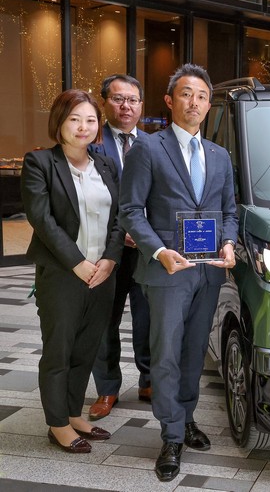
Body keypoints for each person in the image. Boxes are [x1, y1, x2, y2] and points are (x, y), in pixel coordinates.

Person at [119, 63, 238, 481]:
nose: (195, 102)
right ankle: (170, 436)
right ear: (170, 101)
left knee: (193, 352)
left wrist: (228, 242)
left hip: (207, 272)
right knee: (166, 353)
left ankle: (185, 418)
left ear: (209, 105)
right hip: (167, 271)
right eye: (186, 93)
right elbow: (130, 210)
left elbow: (228, 211)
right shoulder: (148, 149)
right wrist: (158, 251)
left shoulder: (220, 156)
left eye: (202, 96)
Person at [21, 89, 123, 453]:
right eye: (74, 119)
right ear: (59, 122)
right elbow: (42, 219)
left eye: (90, 120)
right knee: (59, 350)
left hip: (102, 274)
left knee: (86, 348)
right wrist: (78, 263)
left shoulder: (106, 165)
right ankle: (57, 424)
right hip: (63, 274)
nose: (83, 127)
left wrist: (110, 259)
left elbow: (120, 217)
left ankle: (73, 413)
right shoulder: (40, 163)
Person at [88, 74, 152, 420]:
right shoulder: (90, 144)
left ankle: (149, 380)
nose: (126, 106)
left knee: (149, 318)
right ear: (104, 103)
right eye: (118, 99)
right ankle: (108, 388)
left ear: (141, 105)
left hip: (147, 251)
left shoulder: (156, 145)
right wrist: (120, 233)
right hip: (106, 251)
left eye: (132, 100)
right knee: (104, 321)